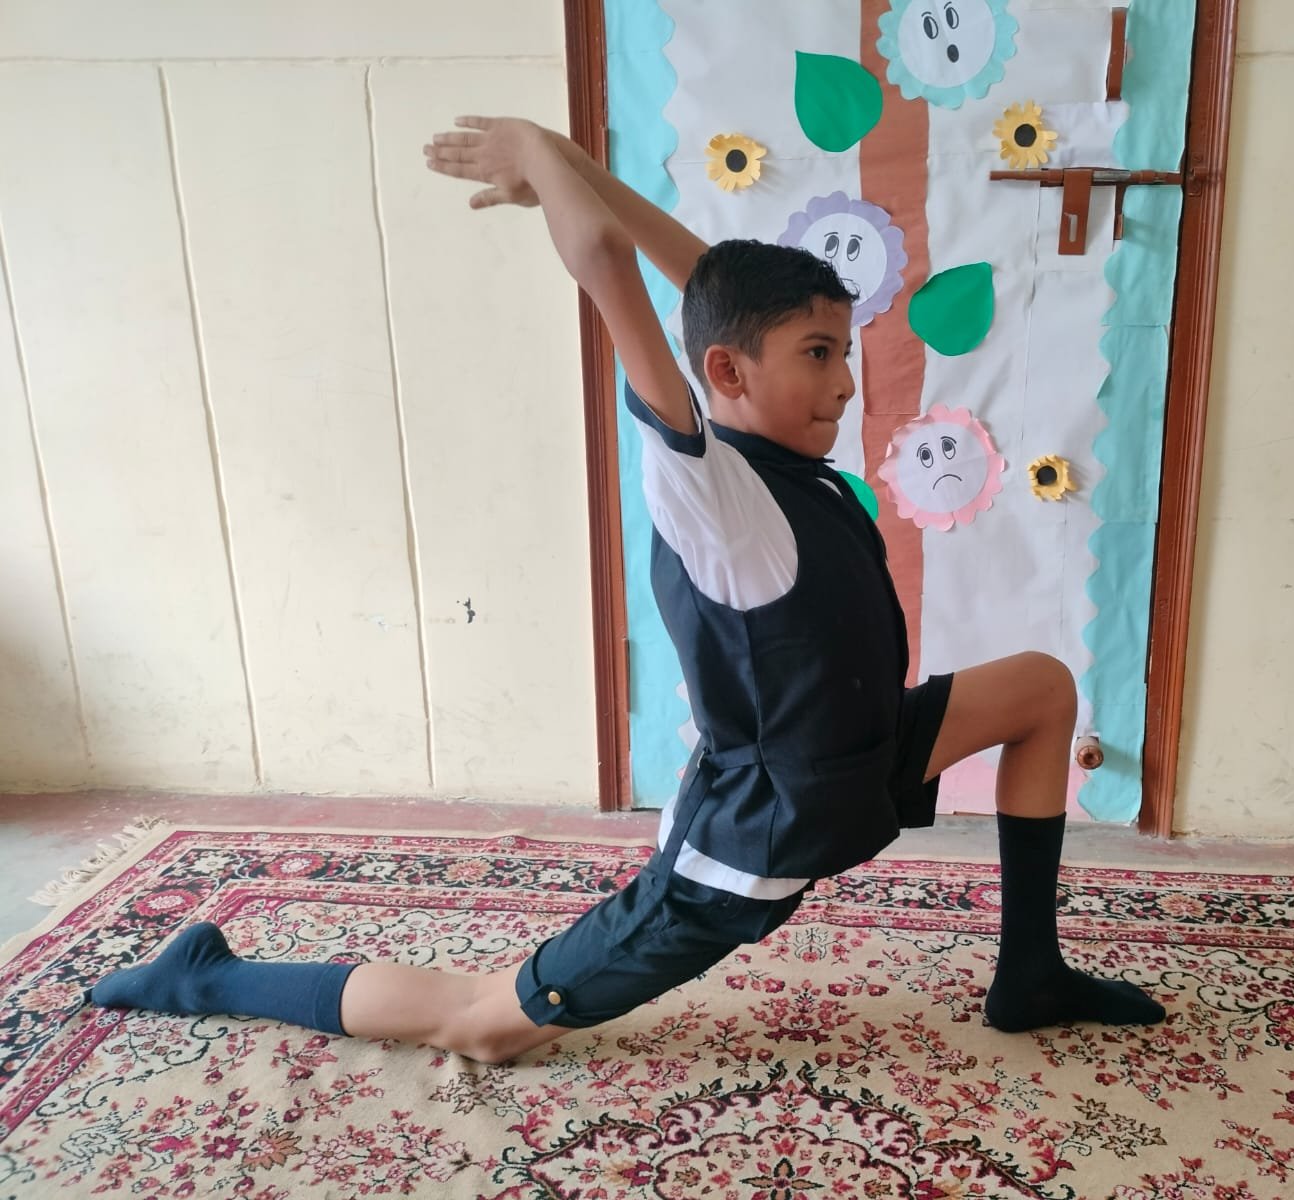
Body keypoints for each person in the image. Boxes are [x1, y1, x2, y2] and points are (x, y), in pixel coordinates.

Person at [88, 116, 1166, 1064]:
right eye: (820, 354)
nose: (846, 382)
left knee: (1039, 687)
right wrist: (537, 150)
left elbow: (713, 289)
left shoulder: (763, 428)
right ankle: (207, 976)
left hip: (855, 758)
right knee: (480, 1023)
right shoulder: (709, 489)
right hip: (754, 844)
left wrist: (580, 167)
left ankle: (1029, 975)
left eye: (845, 351)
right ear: (729, 374)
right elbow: (606, 264)